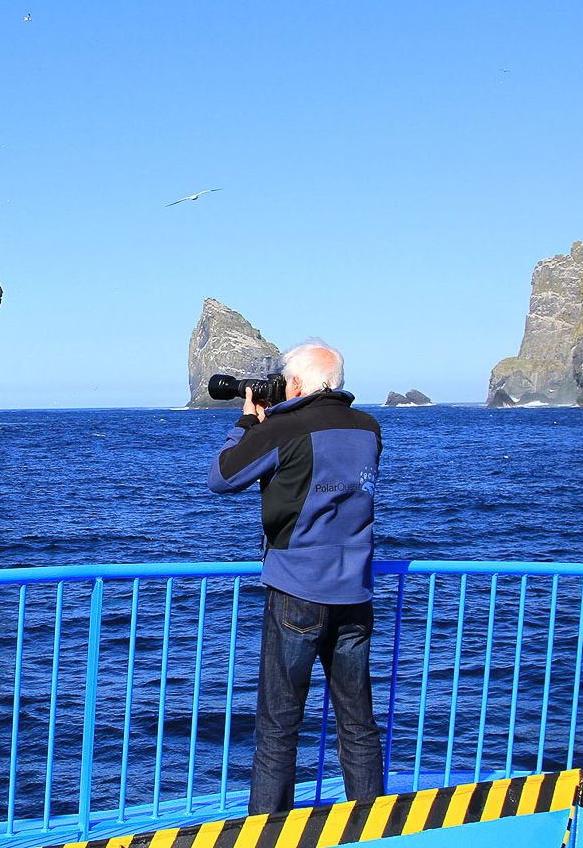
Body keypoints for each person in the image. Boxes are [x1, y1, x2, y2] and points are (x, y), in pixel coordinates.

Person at [207, 338, 384, 813]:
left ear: (300, 382)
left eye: (288, 382)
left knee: (279, 729)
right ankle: (371, 831)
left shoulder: (286, 426)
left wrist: (248, 422)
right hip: (355, 593)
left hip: (296, 590)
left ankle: (268, 834)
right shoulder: (369, 428)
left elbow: (223, 476)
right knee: (358, 725)